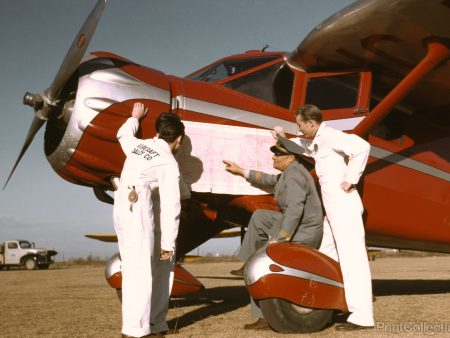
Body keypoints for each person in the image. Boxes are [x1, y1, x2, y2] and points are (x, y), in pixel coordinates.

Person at [274, 104, 374, 331]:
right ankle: (330, 303)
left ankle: (362, 316)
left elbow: (362, 147)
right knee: (325, 255)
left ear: (311, 123)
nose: (298, 130)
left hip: (344, 205)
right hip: (332, 209)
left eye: (300, 125)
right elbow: (301, 146)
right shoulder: (316, 141)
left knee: (352, 259)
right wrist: (282, 137)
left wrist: (351, 179)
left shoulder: (332, 137)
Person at [223, 140, 323, 330]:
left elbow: (295, 209)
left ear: (291, 157)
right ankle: (248, 262)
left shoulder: (295, 175)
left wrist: (281, 238)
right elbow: (269, 180)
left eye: (278, 154)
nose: (273, 157)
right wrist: (241, 171)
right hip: (295, 224)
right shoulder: (290, 172)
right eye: (274, 153)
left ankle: (264, 315)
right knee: (260, 216)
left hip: (305, 231)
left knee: (264, 260)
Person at [113, 102, 185, 338]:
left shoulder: (139, 146)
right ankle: (137, 331)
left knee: (136, 266)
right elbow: (172, 205)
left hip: (123, 207)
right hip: (139, 210)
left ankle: (155, 325)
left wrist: (135, 118)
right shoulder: (168, 163)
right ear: (179, 140)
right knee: (141, 270)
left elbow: (122, 134)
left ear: (157, 133)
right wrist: (168, 244)